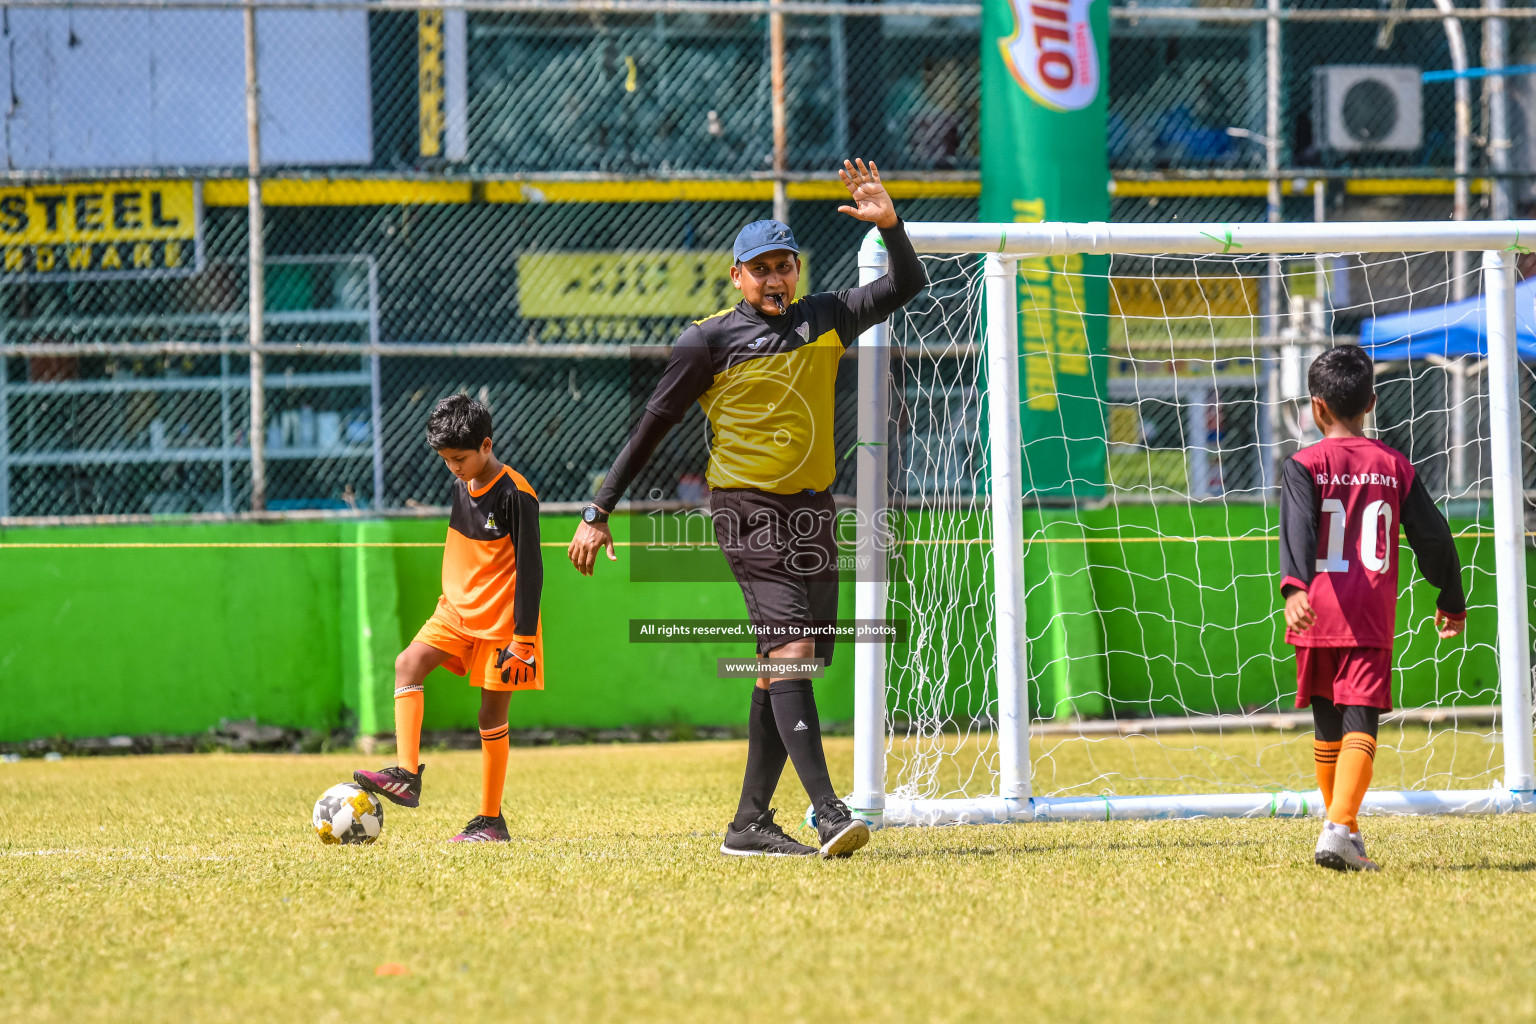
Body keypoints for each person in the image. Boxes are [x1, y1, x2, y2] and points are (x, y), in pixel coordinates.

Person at [567, 159, 927, 858]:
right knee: (791, 653)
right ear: (736, 277)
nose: (773, 278)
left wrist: (891, 224)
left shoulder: (826, 315)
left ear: (797, 270)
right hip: (746, 512)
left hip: (815, 512)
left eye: (783, 265)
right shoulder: (708, 340)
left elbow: (907, 284)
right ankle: (828, 813)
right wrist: (597, 508)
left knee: (788, 663)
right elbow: (652, 425)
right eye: (759, 268)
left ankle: (749, 825)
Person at [1279, 346, 1465, 872]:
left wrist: (1294, 589)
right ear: (1372, 402)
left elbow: (1294, 529)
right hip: (1367, 616)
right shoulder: (1393, 465)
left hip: (1315, 611)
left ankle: (1344, 829)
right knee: (1361, 721)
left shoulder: (1301, 464)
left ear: (1316, 408)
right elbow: (1433, 537)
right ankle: (1340, 830)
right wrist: (1450, 597)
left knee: (1326, 723)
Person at [354, 393, 544, 843]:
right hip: (456, 611)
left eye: (459, 458)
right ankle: (406, 772)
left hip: (504, 623)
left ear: (487, 444)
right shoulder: (462, 481)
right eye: (445, 460)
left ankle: (490, 820)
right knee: (408, 664)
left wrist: (524, 641)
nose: (453, 468)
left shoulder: (517, 495)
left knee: (490, 715)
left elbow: (533, 570)